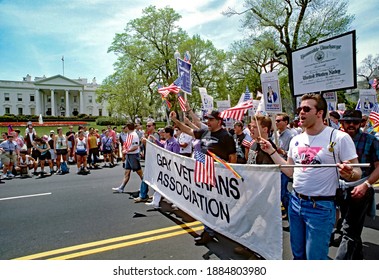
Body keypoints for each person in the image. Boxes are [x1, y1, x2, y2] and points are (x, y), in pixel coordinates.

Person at [259, 93, 361, 260]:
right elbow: (290, 171)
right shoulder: (296, 140)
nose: (301, 112)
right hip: (295, 204)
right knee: (298, 256)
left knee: (315, 258)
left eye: (306, 109)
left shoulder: (339, 138)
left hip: (320, 208)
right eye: (300, 109)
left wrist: (349, 173)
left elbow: (357, 172)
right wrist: (270, 151)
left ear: (320, 113)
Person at [170, 109, 236, 245]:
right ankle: (210, 230)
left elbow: (232, 158)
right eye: (208, 119)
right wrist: (176, 121)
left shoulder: (226, 136)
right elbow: (188, 130)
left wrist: (227, 176)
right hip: (205, 174)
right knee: (207, 204)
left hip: (219, 177)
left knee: (218, 205)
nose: (208, 122)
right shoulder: (205, 132)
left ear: (219, 121)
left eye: (211, 120)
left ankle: (213, 231)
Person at [335, 110, 379, 260]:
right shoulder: (335, 140)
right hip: (340, 189)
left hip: (361, 188)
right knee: (351, 228)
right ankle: (358, 259)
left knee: (349, 230)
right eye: (348, 121)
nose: (351, 124)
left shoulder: (371, 140)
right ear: (342, 123)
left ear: (362, 123)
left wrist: (366, 184)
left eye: (355, 121)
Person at [143, 125, 181, 208]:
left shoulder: (174, 143)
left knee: (173, 185)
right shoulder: (167, 141)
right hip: (165, 166)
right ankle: (155, 202)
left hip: (171, 167)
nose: (163, 134)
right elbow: (161, 146)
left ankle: (177, 202)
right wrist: (155, 140)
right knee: (161, 183)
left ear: (169, 133)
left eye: (164, 132)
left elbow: (176, 156)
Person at [112, 123, 145, 195]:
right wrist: (125, 150)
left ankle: (145, 187)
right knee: (127, 172)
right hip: (129, 155)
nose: (124, 128)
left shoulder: (134, 135)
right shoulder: (128, 134)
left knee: (140, 173)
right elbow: (126, 144)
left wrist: (127, 151)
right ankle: (121, 188)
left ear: (128, 127)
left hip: (134, 155)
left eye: (125, 127)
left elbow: (135, 147)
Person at [275, 113, 295, 217]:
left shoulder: (291, 136)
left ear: (286, 122)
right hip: (276, 166)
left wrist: (282, 152)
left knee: (282, 191)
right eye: (276, 120)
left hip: (285, 166)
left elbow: (293, 154)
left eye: (279, 121)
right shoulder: (275, 134)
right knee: (279, 191)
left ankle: (291, 210)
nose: (276, 123)